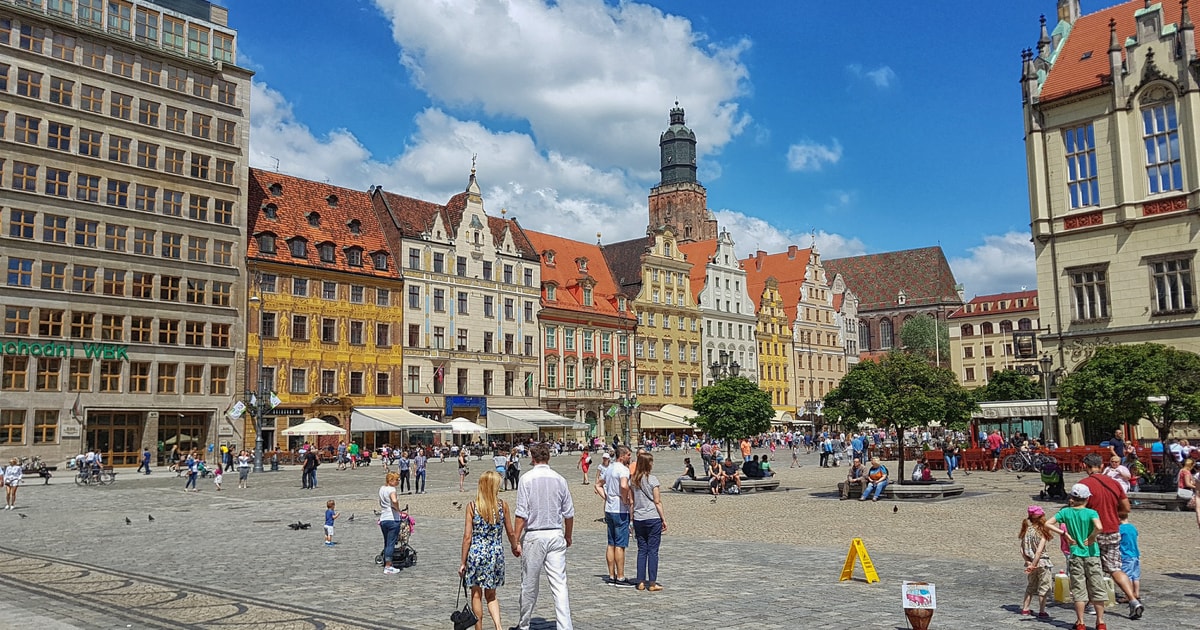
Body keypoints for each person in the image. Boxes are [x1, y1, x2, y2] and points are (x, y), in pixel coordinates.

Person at [512, 442, 575, 630]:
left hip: (535, 535)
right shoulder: (560, 479)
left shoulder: (526, 479)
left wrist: (515, 540)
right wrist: (568, 535)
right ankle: (565, 626)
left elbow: (521, 514)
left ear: (532, 457)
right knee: (559, 584)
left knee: (529, 583)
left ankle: (524, 624)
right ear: (548, 457)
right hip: (555, 533)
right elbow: (569, 513)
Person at [1077, 453, 1143, 619]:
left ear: (1085, 466)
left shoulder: (1084, 485)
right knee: (1115, 568)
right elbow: (1126, 508)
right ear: (1101, 465)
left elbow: (1078, 511)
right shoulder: (1114, 483)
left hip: (1092, 533)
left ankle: (1093, 604)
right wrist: (1113, 514)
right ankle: (1133, 600)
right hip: (1113, 530)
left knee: (1092, 569)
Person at [460, 470, 517, 630]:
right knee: (491, 595)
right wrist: (515, 546)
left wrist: (462, 562)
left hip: (476, 553)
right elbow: (510, 531)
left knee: (476, 594)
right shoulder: (502, 506)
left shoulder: (472, 506)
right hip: (495, 554)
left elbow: (467, 537)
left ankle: (479, 628)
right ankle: (498, 627)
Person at [1047, 484, 1106, 630]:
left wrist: (1063, 533)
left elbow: (1048, 523)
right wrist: (1092, 537)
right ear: (1086, 498)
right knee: (1096, 587)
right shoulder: (1091, 513)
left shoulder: (1066, 512)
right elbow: (1099, 527)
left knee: (1079, 589)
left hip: (1075, 554)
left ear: (1072, 497)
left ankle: (1080, 622)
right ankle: (1100, 622)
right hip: (1092, 553)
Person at [596, 446, 633, 587]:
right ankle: (621, 577)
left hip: (609, 509)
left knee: (611, 543)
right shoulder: (623, 469)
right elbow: (624, 485)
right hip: (620, 510)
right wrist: (624, 498)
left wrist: (606, 497)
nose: (630, 457)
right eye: (628, 455)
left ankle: (611, 575)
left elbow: (598, 485)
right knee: (620, 544)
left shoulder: (610, 468)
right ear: (622, 456)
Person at [630, 451, 666, 592]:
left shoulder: (633, 481)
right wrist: (663, 519)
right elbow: (657, 501)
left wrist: (631, 519)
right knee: (653, 551)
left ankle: (640, 582)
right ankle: (651, 583)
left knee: (642, 550)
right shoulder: (653, 480)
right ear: (648, 464)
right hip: (652, 517)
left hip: (639, 518)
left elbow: (632, 502)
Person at [1018, 505, 1054, 618]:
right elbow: (1039, 552)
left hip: (1030, 563)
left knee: (1031, 586)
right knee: (1044, 587)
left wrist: (1028, 562)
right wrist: (1034, 564)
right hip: (1042, 563)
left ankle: (1025, 608)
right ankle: (1042, 611)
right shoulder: (1042, 531)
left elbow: (1022, 549)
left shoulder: (1026, 530)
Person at [378, 472, 403, 574]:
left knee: (386, 542)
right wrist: (397, 509)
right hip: (392, 518)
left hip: (383, 518)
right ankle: (388, 566)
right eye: (397, 480)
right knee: (391, 543)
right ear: (391, 480)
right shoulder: (392, 490)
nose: (398, 481)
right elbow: (394, 500)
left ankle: (387, 561)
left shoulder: (382, 489)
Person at [1118, 513, 1140, 604]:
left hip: (1126, 555)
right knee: (1136, 576)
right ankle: (1137, 593)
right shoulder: (1132, 527)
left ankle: (1128, 595)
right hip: (1135, 554)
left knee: (1127, 576)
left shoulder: (1120, 529)